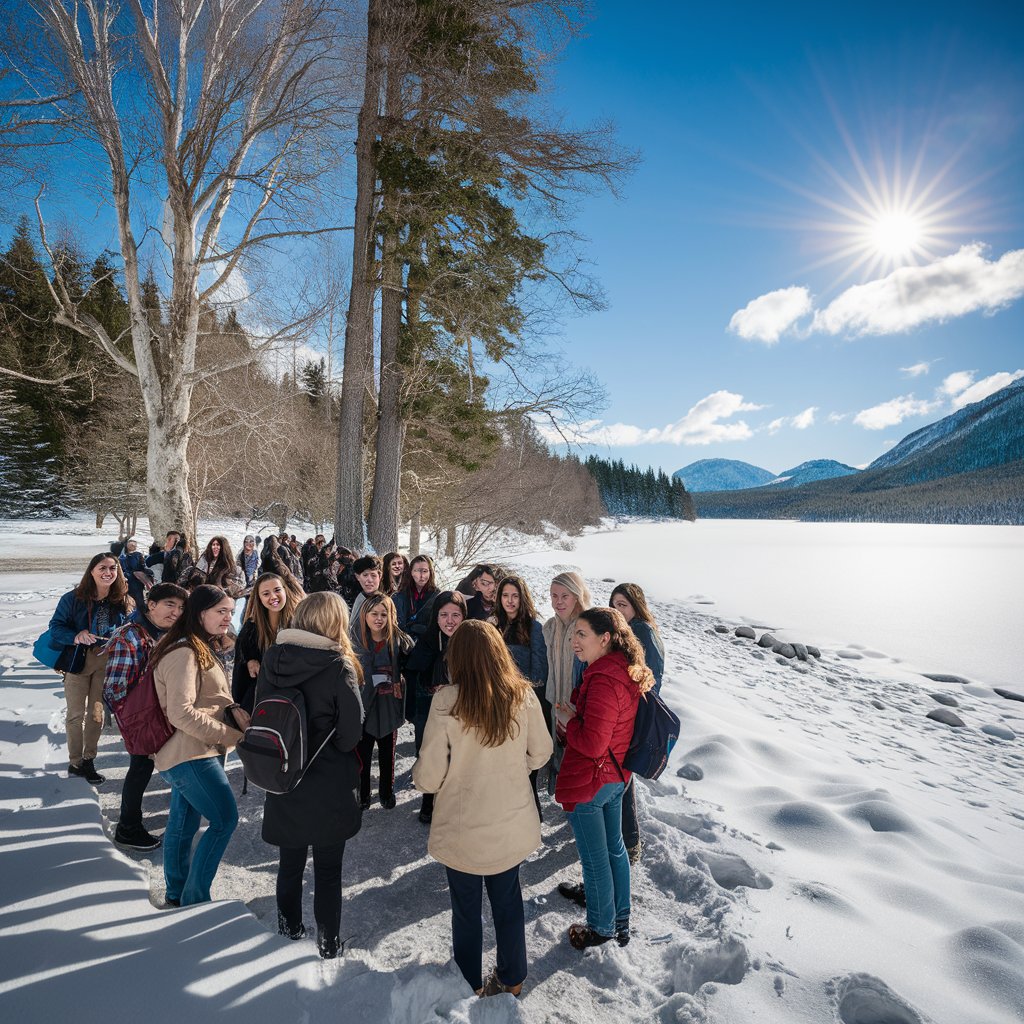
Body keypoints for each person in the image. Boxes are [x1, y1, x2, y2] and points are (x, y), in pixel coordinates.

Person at [414, 621, 553, 998]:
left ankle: (468, 982)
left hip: (464, 825)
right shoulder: (521, 695)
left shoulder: (446, 701)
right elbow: (541, 752)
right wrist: (512, 772)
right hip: (510, 819)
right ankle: (514, 978)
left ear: (455, 657)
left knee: (465, 908)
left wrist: (442, 783)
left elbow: (428, 776)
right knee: (508, 900)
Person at [256, 592, 364, 959]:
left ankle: (288, 932)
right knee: (328, 872)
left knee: (290, 863)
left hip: (284, 775)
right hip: (328, 781)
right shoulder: (337, 666)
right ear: (335, 622)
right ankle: (328, 945)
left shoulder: (274, 658)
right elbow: (351, 735)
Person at [554, 607, 653, 950]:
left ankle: (600, 927)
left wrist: (569, 722)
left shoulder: (603, 681)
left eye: (582, 634)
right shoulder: (623, 671)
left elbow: (593, 744)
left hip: (592, 781)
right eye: (574, 634)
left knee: (596, 859)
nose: (574, 641)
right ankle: (619, 917)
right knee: (614, 850)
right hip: (616, 776)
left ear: (606, 638)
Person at [150, 585, 249, 906]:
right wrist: (232, 734)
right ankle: (195, 898)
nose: (227, 618)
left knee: (183, 822)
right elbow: (181, 711)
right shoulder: (184, 653)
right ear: (200, 612)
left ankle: (177, 894)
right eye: (221, 611)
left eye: (231, 612)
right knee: (225, 820)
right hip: (191, 752)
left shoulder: (196, 646)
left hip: (194, 750)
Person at [103, 582, 188, 849]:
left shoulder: (171, 634)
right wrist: (136, 716)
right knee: (140, 767)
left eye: (180, 607)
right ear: (151, 605)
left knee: (152, 765)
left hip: (165, 713)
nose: (175, 612)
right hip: (142, 717)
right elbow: (114, 689)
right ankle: (128, 828)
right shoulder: (129, 636)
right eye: (169, 605)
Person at [49, 553, 135, 785]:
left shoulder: (123, 600)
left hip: (107, 662)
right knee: (76, 713)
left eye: (112, 568)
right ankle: (75, 762)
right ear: (92, 571)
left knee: (96, 714)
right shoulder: (73, 598)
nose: (108, 572)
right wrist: (76, 635)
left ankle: (89, 760)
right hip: (78, 660)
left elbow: (133, 628)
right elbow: (55, 627)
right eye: (102, 568)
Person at [609, 582, 666, 863]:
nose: (618, 610)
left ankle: (629, 843)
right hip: (628, 716)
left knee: (622, 780)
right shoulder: (630, 630)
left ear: (635, 606)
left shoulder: (641, 631)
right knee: (621, 779)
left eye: (623, 605)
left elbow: (648, 679)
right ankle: (627, 842)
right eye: (614, 604)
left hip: (634, 718)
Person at [403, 590, 467, 823]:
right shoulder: (428, 642)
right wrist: (431, 687)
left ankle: (453, 803)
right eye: (444, 615)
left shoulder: (470, 644)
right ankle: (428, 799)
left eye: (456, 615)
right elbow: (415, 676)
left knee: (459, 758)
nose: (449, 621)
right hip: (430, 712)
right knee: (431, 756)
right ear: (435, 617)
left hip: (461, 714)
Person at [351, 594, 413, 810]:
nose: (378, 619)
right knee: (363, 754)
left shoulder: (396, 638)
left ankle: (387, 791)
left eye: (383, 614)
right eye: (374, 614)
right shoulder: (355, 639)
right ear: (364, 615)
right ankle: (363, 793)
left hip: (388, 706)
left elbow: (411, 654)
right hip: (364, 707)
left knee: (388, 753)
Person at [493, 575, 549, 815]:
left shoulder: (534, 627)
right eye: (505, 595)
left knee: (527, 764)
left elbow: (539, 672)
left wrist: (520, 693)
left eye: (515, 596)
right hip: (497, 702)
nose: (510, 601)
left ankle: (531, 812)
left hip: (524, 703)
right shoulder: (495, 625)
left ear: (523, 598)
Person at [542, 571, 591, 791]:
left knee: (577, 759)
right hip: (556, 701)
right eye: (554, 596)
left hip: (579, 706)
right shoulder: (550, 627)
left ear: (577, 596)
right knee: (557, 751)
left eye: (565, 596)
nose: (558, 602)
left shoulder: (588, 626)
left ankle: (577, 806)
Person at [232, 572, 303, 713]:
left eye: (277, 590)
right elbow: (240, 673)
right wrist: (249, 660)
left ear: (285, 590)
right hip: (261, 700)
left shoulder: (300, 623)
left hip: (293, 699)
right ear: (259, 598)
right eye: (266, 594)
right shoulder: (251, 627)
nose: (273, 597)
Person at [393, 554, 438, 640]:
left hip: (427, 644)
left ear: (430, 572)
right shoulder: (399, 596)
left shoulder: (437, 596)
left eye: (425, 571)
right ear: (411, 572)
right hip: (403, 644)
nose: (421, 576)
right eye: (417, 571)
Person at [348, 554, 384, 631]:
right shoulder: (359, 598)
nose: (369, 580)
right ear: (358, 577)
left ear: (380, 576)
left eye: (373, 575)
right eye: (365, 575)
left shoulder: (386, 601)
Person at [119, 537, 154, 611]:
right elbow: (120, 570)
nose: (133, 545)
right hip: (127, 581)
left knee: (139, 600)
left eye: (134, 544)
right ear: (127, 545)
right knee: (129, 601)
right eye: (131, 543)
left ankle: (141, 614)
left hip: (137, 581)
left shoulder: (138, 555)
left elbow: (143, 566)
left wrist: (148, 572)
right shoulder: (121, 558)